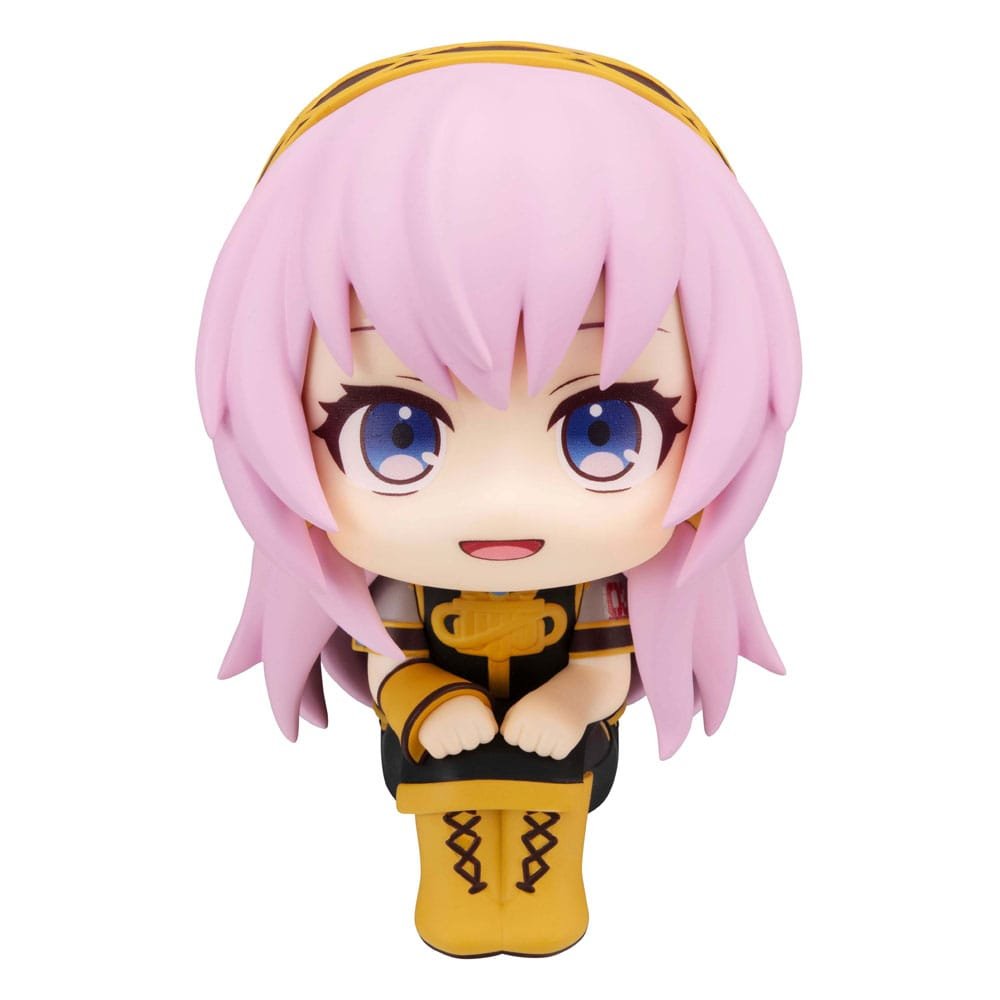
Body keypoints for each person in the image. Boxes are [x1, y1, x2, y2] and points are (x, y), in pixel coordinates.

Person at [196, 41, 801, 958]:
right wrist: (424, 700)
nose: (505, 501)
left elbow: (603, 666)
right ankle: (463, 905)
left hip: (566, 753)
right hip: (436, 751)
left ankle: (542, 904)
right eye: (397, 433)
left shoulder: (601, 594)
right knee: (453, 834)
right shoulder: (401, 591)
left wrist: (574, 703)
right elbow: (391, 660)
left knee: (552, 831)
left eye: (604, 429)